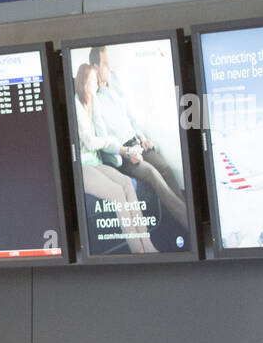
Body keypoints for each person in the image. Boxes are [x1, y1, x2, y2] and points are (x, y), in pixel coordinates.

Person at [88, 46, 189, 230]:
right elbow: (103, 141)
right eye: (105, 64)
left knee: (165, 168)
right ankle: (188, 223)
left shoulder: (115, 81)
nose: (109, 68)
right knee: (152, 174)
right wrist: (127, 153)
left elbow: (130, 115)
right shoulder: (93, 98)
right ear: (95, 67)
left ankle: (185, 214)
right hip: (122, 155)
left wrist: (142, 136)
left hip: (135, 142)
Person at [73, 63, 156, 254]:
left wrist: (118, 145)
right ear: (83, 83)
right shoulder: (76, 106)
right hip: (82, 167)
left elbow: (100, 134)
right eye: (93, 81)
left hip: (95, 162)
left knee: (127, 183)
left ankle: (147, 243)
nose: (97, 84)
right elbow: (91, 142)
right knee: (117, 192)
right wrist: (107, 140)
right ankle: (138, 251)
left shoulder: (93, 104)